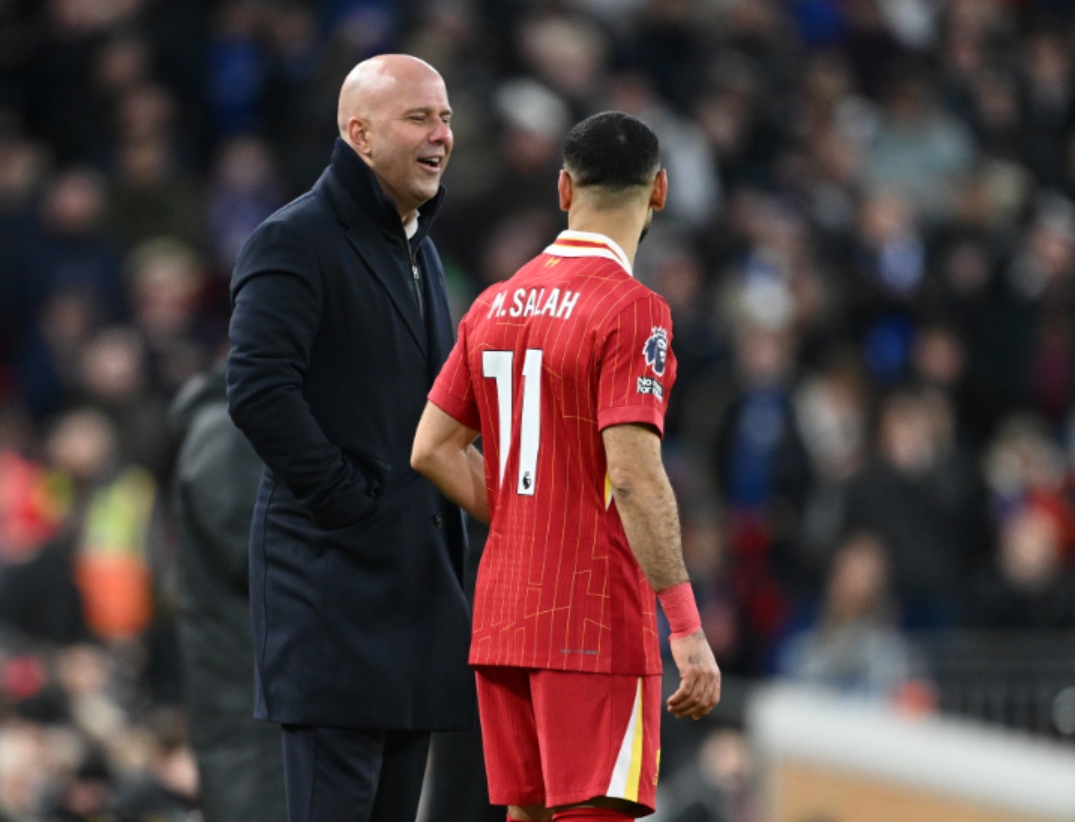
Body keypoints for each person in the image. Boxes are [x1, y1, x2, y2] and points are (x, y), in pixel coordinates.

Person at [411, 111, 721, 822]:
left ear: (562, 189)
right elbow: (636, 474)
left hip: (502, 617)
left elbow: (430, 446)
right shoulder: (631, 310)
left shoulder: (494, 303)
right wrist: (686, 626)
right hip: (591, 617)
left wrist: (522, 518)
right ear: (660, 192)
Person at [226, 54, 474, 822]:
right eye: (419, 118)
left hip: (411, 599)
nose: (441, 136)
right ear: (359, 135)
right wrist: (350, 504)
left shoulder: (419, 248)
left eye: (446, 119)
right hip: (333, 593)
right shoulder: (294, 238)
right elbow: (259, 392)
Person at [168, 363, 286, 822]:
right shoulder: (224, 433)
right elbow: (251, 554)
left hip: (249, 701)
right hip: (246, 709)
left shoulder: (228, 428)